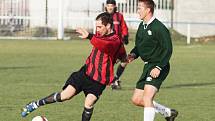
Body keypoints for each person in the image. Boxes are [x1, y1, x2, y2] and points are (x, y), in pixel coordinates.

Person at [21, 12, 126, 121]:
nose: (97, 30)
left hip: (99, 80)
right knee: (65, 96)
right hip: (85, 72)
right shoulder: (99, 34)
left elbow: (106, 45)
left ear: (108, 26)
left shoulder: (115, 40)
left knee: (89, 103)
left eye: (99, 27)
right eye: (96, 27)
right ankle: (35, 104)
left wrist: (123, 58)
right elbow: (101, 43)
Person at [127, 0, 178, 121]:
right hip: (147, 67)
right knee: (137, 100)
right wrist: (133, 55)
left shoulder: (159, 27)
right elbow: (139, 47)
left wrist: (159, 67)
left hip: (159, 65)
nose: (137, 10)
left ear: (148, 10)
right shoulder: (142, 26)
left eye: (139, 8)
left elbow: (168, 49)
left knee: (147, 98)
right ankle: (167, 112)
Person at [105, 0, 129, 90]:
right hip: (108, 45)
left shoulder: (119, 16)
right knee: (108, 63)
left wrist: (125, 36)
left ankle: (116, 78)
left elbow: (123, 26)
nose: (110, 7)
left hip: (118, 44)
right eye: (108, 5)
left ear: (115, 6)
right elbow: (99, 30)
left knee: (124, 61)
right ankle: (111, 81)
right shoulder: (103, 17)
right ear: (106, 6)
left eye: (112, 5)